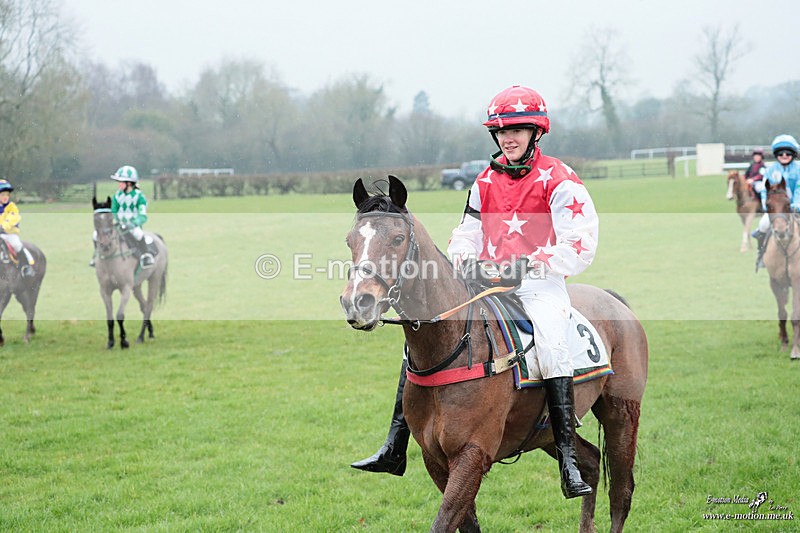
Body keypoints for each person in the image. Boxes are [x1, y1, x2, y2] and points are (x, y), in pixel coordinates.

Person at [352, 85, 599, 500]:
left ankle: (569, 456)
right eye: (501, 132)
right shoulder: (485, 180)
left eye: (517, 130)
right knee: (423, 332)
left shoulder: (560, 178)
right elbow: (465, 233)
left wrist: (530, 264)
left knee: (552, 338)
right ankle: (395, 444)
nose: (508, 138)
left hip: (539, 285)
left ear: (536, 132)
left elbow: (580, 242)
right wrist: (466, 260)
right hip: (484, 284)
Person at [91, 165, 157, 268]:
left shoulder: (140, 197)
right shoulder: (117, 196)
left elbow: (143, 216)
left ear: (129, 183)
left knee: (139, 234)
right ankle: (97, 255)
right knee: (96, 234)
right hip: (118, 225)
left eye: (121, 182)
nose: (119, 184)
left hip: (133, 226)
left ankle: (146, 255)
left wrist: (133, 223)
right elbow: (113, 212)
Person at [752, 135, 800, 271]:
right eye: (781, 153)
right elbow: (764, 190)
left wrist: (796, 205)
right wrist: (766, 204)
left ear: (793, 154)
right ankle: (761, 255)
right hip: (776, 210)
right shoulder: (770, 171)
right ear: (776, 155)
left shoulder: (798, 170)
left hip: (796, 208)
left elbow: (798, 189)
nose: (784, 155)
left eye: (788, 153)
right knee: (763, 225)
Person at [0, 179, 36, 277]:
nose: (5, 197)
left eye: (7, 195)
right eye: (3, 195)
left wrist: (3, 227)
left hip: (9, 234)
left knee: (16, 245)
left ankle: (26, 267)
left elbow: (13, 217)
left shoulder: (12, 207)